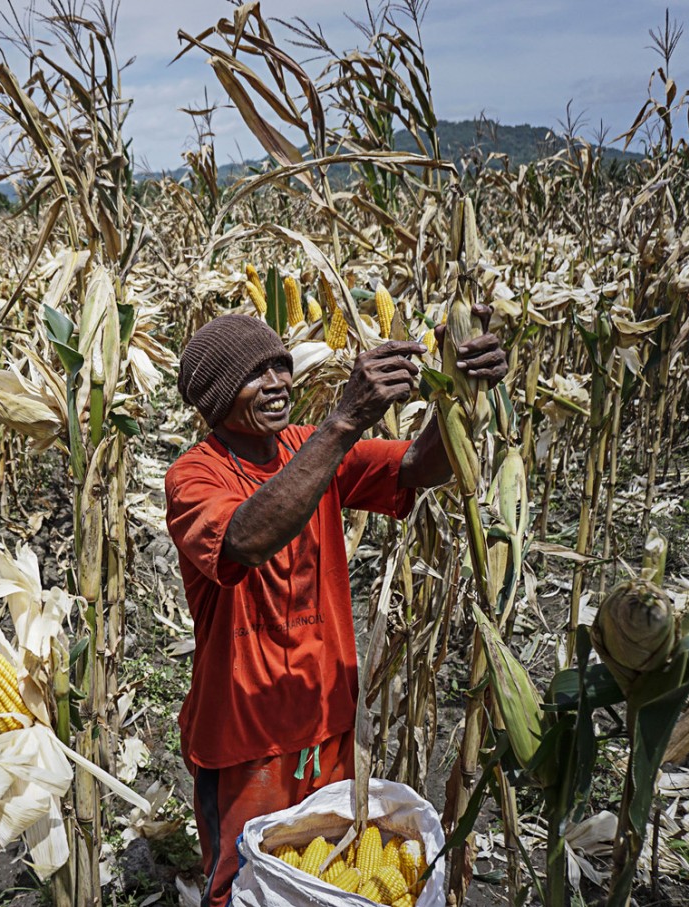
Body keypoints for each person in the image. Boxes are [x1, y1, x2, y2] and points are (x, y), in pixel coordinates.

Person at [165, 311, 507, 907]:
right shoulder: (194, 476)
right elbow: (245, 539)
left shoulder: (307, 446)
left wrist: (462, 395)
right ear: (216, 398)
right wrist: (345, 420)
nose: (277, 382)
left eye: (280, 365)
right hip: (247, 738)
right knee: (241, 886)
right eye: (254, 375)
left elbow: (418, 468)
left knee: (327, 873)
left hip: (327, 721)